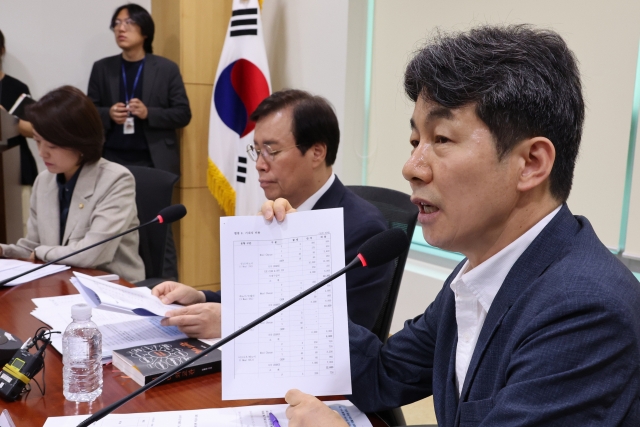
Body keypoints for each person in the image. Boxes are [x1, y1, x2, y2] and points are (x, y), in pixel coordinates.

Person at [272, 26, 640, 426]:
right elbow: (383, 374)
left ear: (531, 163)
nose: (411, 167)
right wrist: (294, 262)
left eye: (442, 139)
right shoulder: (481, 269)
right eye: (416, 141)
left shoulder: (584, 311)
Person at [153, 90, 393, 339]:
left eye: (271, 151)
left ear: (317, 153)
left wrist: (235, 322)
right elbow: (262, 296)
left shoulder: (362, 229)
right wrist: (201, 297)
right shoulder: (277, 212)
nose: (259, 163)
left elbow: (345, 334)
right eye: (256, 150)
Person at [0, 86, 145, 283]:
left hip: (111, 288)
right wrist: (4, 250)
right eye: (37, 141)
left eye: (52, 145)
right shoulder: (44, 181)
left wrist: (40, 252)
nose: (42, 153)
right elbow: (31, 247)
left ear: (81, 142)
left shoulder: (116, 180)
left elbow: (91, 254)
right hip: (59, 284)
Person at [87, 3, 191, 279]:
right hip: (112, 160)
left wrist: (149, 113)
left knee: (158, 230)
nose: (121, 29)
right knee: (114, 230)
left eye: (128, 23)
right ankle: (119, 284)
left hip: (153, 162)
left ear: (145, 30)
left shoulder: (166, 68)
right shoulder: (102, 68)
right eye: (117, 24)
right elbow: (89, 110)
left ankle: (168, 288)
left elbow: (183, 113)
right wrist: (108, 114)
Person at [0, 29, 39, 187]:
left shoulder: (17, 87)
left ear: (2, 50)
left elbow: (34, 130)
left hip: (16, 171)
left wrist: (6, 120)